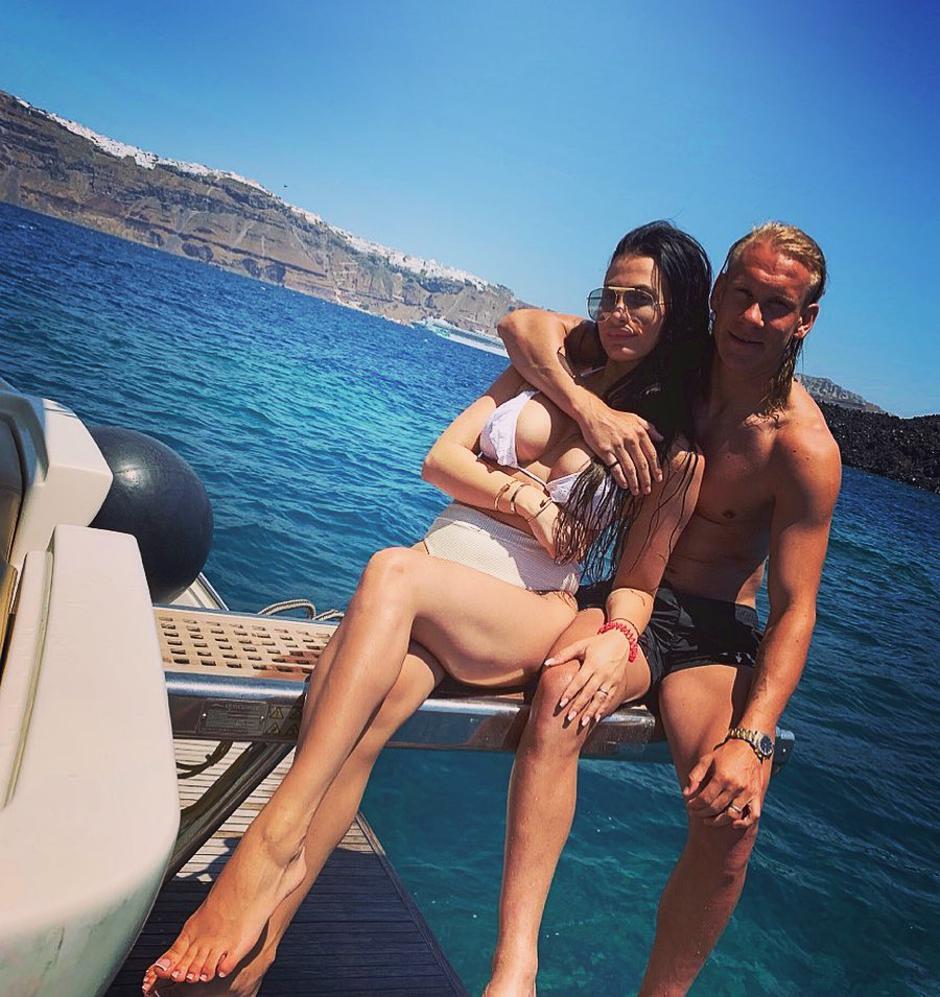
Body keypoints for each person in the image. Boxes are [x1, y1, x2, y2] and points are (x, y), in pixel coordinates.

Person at [142, 221, 712, 995]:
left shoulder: (672, 447)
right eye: (607, 295)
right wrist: (532, 494)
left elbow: (637, 581)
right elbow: (440, 459)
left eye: (639, 300)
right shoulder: (554, 368)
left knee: (390, 571)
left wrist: (616, 633)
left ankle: (272, 838)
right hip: (440, 578)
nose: (617, 312)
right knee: (367, 724)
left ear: (677, 313)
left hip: (523, 608)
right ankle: (253, 960)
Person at [486, 221, 842, 996]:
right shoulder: (673, 363)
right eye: (741, 294)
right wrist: (588, 408)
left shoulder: (802, 448)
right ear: (715, 294)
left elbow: (795, 610)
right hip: (629, 594)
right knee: (563, 694)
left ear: (804, 320)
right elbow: (523, 326)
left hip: (713, 633)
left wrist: (754, 734)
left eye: (777, 306)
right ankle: (515, 966)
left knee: (732, 819)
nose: (752, 317)